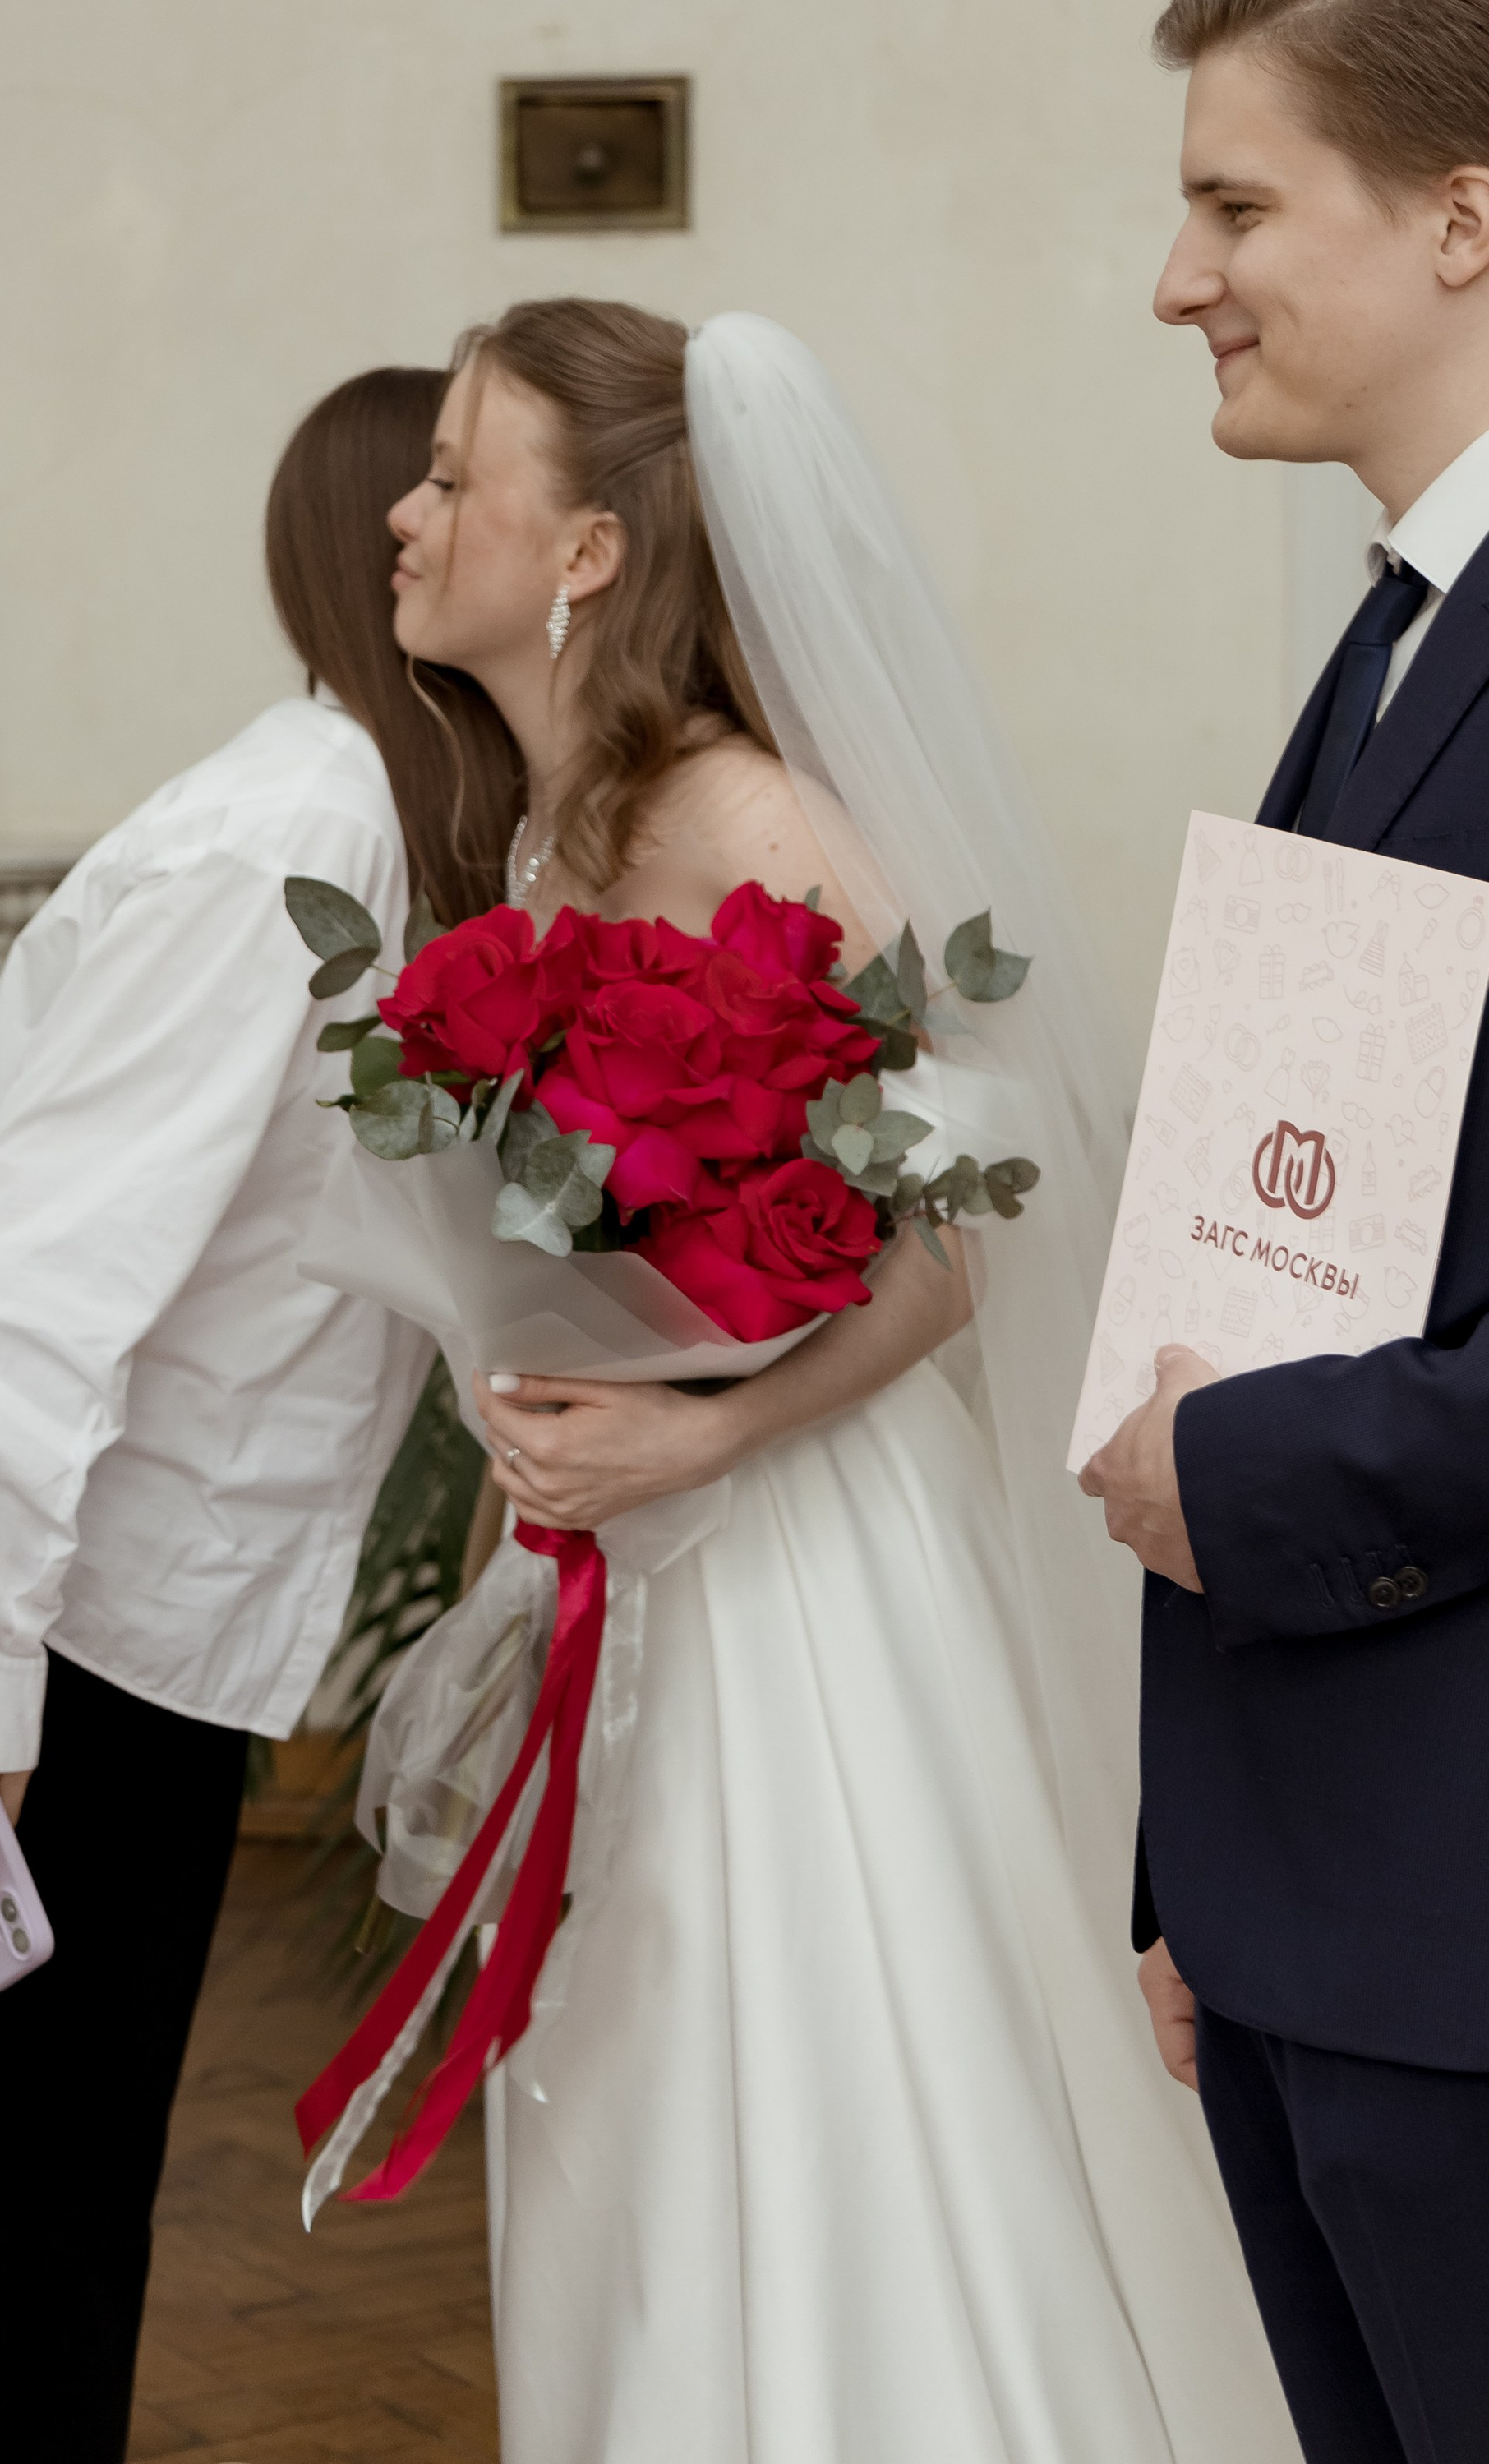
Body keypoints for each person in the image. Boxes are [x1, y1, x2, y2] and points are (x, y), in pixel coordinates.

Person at [382, 298, 1297, 2462]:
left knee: (794, 2047)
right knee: (627, 2066)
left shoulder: (736, 812)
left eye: (450, 471)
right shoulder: (545, 829)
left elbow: (975, 1208)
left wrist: (710, 1420)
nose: (404, 518)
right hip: (656, 1537)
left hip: (800, 1558)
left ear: (588, 547)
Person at [0, 367, 516, 2464]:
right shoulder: (293, 833)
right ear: (380, 547)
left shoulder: (418, 837)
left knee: (77, 2186)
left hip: (142, 1609)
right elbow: (33, 1294)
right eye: (438, 487)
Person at [1083, 0, 1489, 2464]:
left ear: (1468, 209)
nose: (1172, 278)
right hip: (1326, 1896)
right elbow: (1301, 1232)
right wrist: (1197, 1864)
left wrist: (1215, 1477)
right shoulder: (1391, 633)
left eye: (1236, 207)